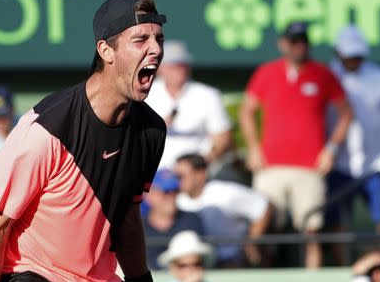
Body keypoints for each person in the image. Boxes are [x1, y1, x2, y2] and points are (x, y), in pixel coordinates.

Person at [0, 0, 166, 282]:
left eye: (159, 39)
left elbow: (127, 218)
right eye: (140, 40)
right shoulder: (46, 129)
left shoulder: (151, 131)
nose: (156, 49)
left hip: (99, 281)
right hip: (33, 276)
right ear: (106, 51)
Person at [239, 21, 352, 268]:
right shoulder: (267, 72)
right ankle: (259, 279)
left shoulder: (322, 73)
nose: (299, 46)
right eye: (293, 41)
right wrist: (254, 149)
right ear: (283, 44)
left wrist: (331, 149)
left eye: (303, 41)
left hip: (309, 167)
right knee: (263, 228)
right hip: (270, 166)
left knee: (311, 232)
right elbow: (247, 110)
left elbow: (345, 113)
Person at [326, 25, 380, 237]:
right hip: (338, 163)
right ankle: (342, 266)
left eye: (358, 56)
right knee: (336, 223)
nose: (354, 61)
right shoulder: (327, 75)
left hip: (376, 161)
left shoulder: (379, 75)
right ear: (338, 53)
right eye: (349, 56)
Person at [145, 40, 232, 171]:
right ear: (160, 68)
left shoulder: (208, 95)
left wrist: (200, 165)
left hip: (195, 172)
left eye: (183, 65)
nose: (180, 70)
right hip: (152, 172)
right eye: (173, 65)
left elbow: (222, 138)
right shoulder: (145, 94)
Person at [174, 153, 271, 267]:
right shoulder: (175, 198)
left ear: (200, 174)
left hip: (232, 259)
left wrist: (252, 241)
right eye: (175, 176)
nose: (177, 180)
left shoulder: (223, 192)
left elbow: (263, 205)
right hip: (194, 260)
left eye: (181, 176)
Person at [143, 169, 205, 270]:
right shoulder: (137, 227)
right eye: (166, 192)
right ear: (148, 195)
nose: (172, 196)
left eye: (175, 190)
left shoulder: (192, 220)